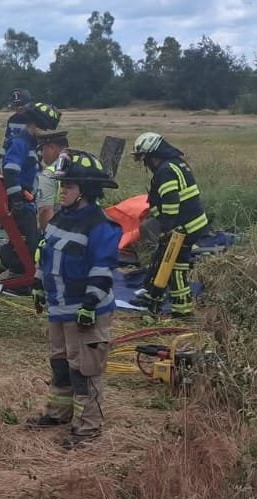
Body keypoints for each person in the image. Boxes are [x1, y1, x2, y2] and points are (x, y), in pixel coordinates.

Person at [24, 151, 121, 448]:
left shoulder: (100, 226)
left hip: (85, 313)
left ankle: (88, 427)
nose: (62, 191)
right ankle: (59, 414)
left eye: (68, 186)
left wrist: (90, 305)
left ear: (85, 191)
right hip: (59, 310)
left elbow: (102, 270)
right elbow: (45, 254)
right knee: (61, 366)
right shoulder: (60, 218)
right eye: (62, 185)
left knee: (85, 371)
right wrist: (38, 285)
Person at [0, 101, 61, 284]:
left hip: (27, 202)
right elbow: (10, 170)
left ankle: (10, 274)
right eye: (45, 129)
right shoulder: (20, 143)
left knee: (22, 244)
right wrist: (16, 198)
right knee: (29, 244)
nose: (46, 134)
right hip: (20, 202)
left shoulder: (31, 144)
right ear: (34, 124)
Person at [131, 131, 210, 318]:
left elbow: (171, 203)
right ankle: (161, 298)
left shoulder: (165, 171)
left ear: (152, 155)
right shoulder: (176, 163)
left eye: (145, 159)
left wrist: (167, 229)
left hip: (183, 228)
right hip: (192, 224)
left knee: (174, 267)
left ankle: (181, 311)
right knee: (171, 263)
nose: (145, 164)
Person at [32, 130, 70, 231]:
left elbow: (45, 210)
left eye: (43, 149)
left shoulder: (49, 174)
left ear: (52, 147)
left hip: (61, 231)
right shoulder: (81, 166)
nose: (41, 154)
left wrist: (47, 235)